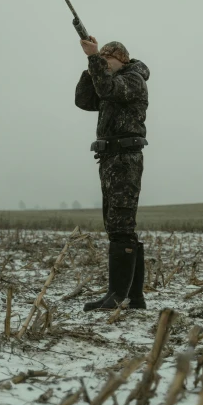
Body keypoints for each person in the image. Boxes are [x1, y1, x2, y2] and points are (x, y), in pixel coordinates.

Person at [75, 37, 150, 310]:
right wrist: (91, 62)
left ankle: (119, 297)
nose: (105, 63)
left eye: (110, 59)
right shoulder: (110, 82)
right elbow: (83, 99)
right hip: (110, 158)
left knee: (121, 226)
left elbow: (106, 88)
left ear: (124, 60)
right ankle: (132, 297)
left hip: (125, 159)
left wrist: (95, 58)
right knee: (117, 227)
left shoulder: (132, 81)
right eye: (103, 59)